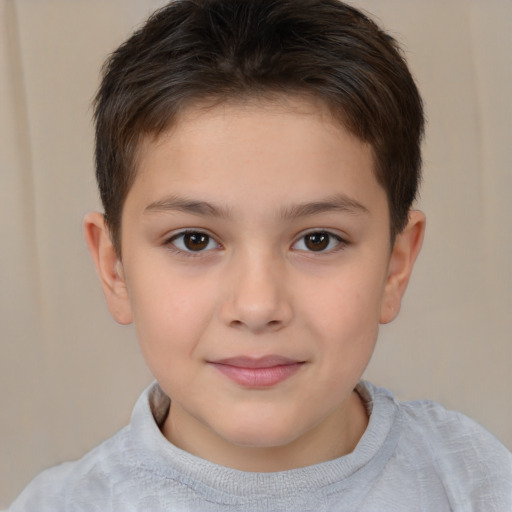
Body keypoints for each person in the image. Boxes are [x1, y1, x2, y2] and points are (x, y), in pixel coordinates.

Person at [8, 0, 511, 510]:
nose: (257, 306)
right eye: (194, 240)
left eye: (318, 239)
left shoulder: (477, 484)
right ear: (115, 269)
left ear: (394, 265)